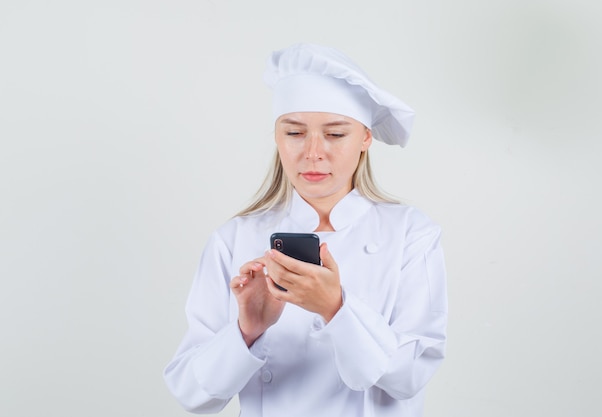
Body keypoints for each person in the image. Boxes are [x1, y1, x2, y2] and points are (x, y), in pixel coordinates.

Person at [163, 43, 447, 417]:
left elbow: (409, 375)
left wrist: (335, 308)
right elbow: (192, 394)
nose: (313, 153)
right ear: (277, 137)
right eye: (295, 133)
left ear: (365, 139)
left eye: (335, 134)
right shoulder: (234, 239)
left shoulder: (411, 233)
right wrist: (247, 330)